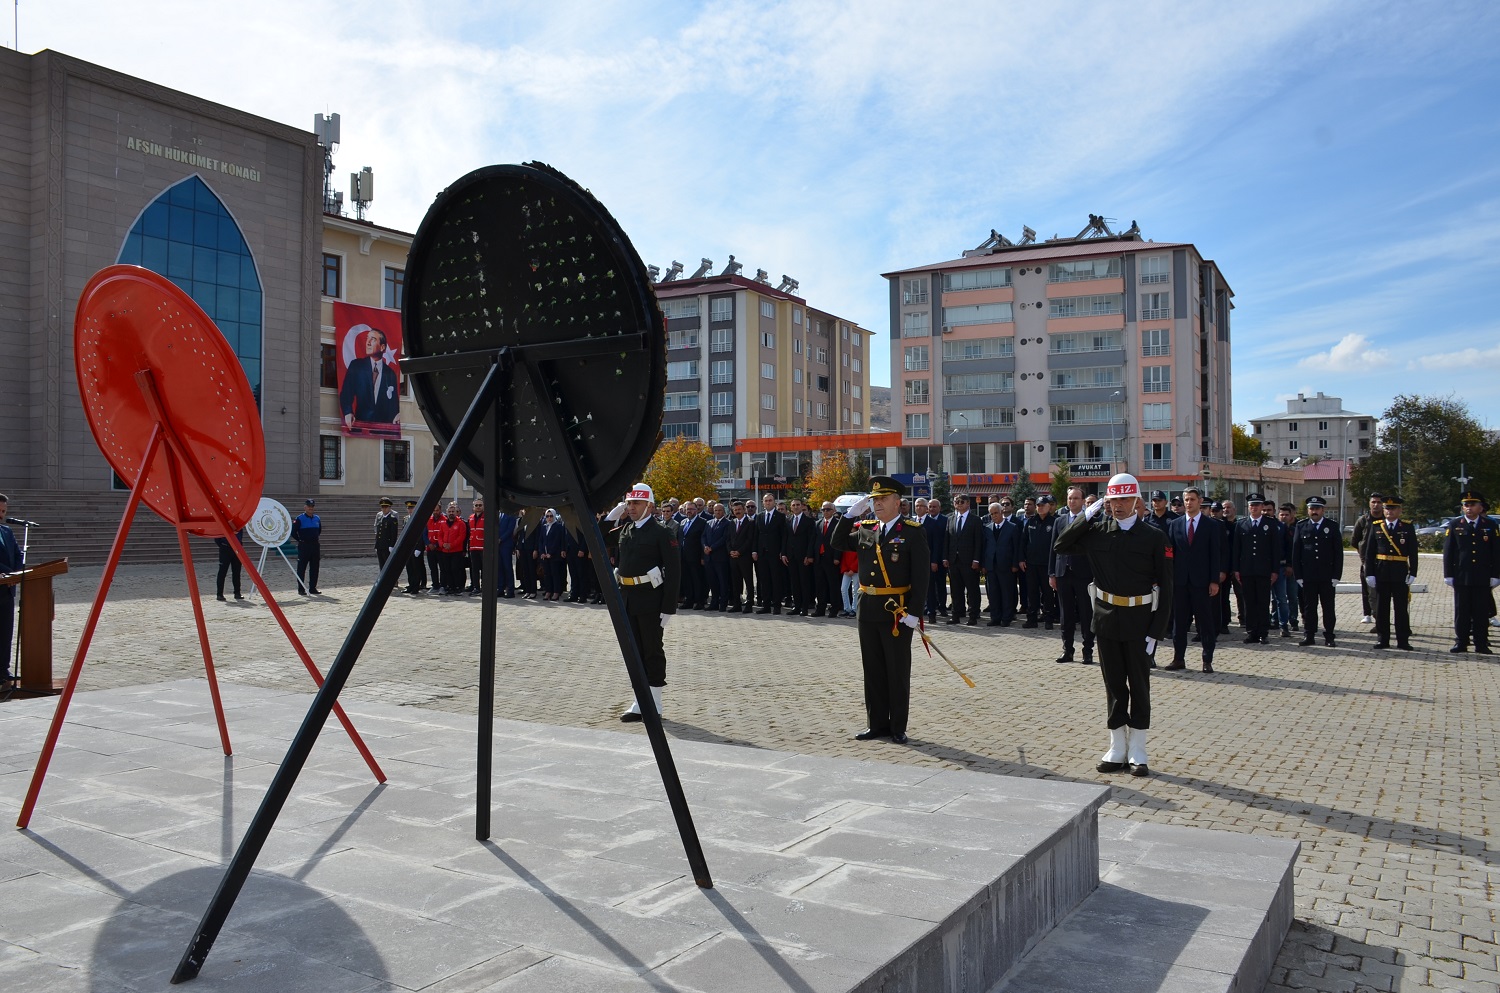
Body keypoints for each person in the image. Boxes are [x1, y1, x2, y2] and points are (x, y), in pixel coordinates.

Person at [1054, 473, 1172, 777]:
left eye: (1123, 499)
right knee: (1114, 685)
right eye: (1112, 499)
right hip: (1106, 619)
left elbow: (1168, 588)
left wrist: (1156, 633)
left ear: (1136, 501)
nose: (1117, 506)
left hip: (1140, 621)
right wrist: (1089, 513)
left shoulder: (1154, 537)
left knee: (1140, 685)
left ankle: (1138, 750)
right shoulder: (1099, 532)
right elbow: (1062, 544)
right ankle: (1117, 747)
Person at [830, 476, 930, 744]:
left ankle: (897, 726)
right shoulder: (867, 528)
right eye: (874, 500)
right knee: (872, 669)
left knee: (896, 670)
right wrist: (848, 514)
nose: (877, 504)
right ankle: (876, 724)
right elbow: (837, 542)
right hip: (868, 608)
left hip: (897, 611)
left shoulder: (912, 531)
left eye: (883, 499)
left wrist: (914, 613)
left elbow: (921, 577)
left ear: (898, 502)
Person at [605, 484, 680, 721]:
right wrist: (614, 514)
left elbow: (675, 570)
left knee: (651, 650)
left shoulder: (661, 532)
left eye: (636, 503)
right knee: (634, 651)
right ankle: (640, 701)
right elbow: (597, 535)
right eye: (629, 504)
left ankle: (655, 703)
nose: (631, 508)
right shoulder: (627, 529)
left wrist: (669, 607)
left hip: (650, 599)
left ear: (649, 505)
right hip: (627, 597)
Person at [1165, 486, 1225, 673]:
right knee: (1180, 622)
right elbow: (1169, 553)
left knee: (1205, 622)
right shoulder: (1175, 525)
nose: (1188, 503)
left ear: (1200, 501)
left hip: (1202, 582)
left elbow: (1216, 555)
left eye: (1192, 499)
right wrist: (1168, 577)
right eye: (1186, 499)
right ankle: (1178, 659)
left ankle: (1207, 660)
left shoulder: (1212, 525)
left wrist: (1214, 581)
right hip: (1180, 582)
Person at [1443, 490, 1499, 654]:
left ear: (1480, 507)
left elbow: (1496, 552)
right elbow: (1449, 552)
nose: (1469, 508)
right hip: (1462, 575)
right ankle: (1461, 641)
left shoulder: (1490, 525)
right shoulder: (1455, 525)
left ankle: (1481, 643)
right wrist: (1448, 574)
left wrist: (1496, 574)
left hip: (1482, 575)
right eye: (1466, 505)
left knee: (1481, 611)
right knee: (1462, 611)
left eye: (1472, 505)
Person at [1363, 494, 1417, 651]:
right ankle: (1383, 638)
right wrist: (1369, 573)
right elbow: (1369, 552)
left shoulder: (1407, 527)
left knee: (1401, 608)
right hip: (1381, 571)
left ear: (1400, 510)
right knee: (1381, 608)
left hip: (1400, 571)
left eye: (1393, 509)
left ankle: (1403, 640)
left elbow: (1413, 552)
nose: (1389, 512)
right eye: (1387, 508)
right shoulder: (1377, 526)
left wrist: (1413, 572)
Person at [1049, 486, 1095, 664]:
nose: (1072, 501)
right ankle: (1067, 650)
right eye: (1070, 498)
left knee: (1086, 614)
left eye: (1076, 498)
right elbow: (1053, 548)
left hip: (1083, 574)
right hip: (1063, 573)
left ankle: (1087, 650)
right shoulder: (1059, 521)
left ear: (1083, 501)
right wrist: (1052, 573)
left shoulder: (1089, 520)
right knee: (1065, 614)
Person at [1230, 494, 1282, 645]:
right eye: (1252, 505)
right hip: (1246, 570)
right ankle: (1251, 632)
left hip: (1264, 570)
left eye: (1257, 505)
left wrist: (1274, 570)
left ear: (1261, 507)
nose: (1254, 508)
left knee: (1263, 602)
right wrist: (1236, 569)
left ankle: (1263, 633)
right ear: (1248, 507)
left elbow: (1275, 549)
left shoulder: (1270, 524)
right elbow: (1236, 549)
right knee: (1249, 602)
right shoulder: (1241, 524)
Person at [1291, 496, 1342, 647]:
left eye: (1317, 509)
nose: (1314, 511)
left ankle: (1329, 636)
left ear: (1323, 510)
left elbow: (1338, 553)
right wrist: (1298, 575)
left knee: (1328, 607)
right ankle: (1309, 635)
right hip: (1308, 575)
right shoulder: (1301, 526)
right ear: (1308, 510)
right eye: (1311, 509)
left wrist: (1336, 575)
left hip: (1327, 576)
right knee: (1309, 607)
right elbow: (1296, 553)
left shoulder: (1332, 526)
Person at [338, 325, 400, 427]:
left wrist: (397, 414)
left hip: (383, 428)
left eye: (373, 339)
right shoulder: (357, 366)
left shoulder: (390, 374)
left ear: (382, 347)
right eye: (367, 338)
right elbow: (346, 394)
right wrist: (348, 412)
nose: (368, 342)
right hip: (360, 425)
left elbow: (393, 404)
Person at [980, 500, 1021, 626]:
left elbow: (1016, 547)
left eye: (996, 513)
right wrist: (984, 565)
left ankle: (1006, 618)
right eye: (991, 514)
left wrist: (1015, 564)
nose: (994, 516)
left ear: (1002, 512)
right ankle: (995, 617)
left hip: (1006, 566)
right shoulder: (987, 528)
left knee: (1007, 593)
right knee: (993, 593)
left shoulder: (1012, 527)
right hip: (991, 566)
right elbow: (984, 547)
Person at [946, 494, 984, 626]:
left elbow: (979, 542)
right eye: (956, 501)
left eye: (962, 501)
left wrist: (976, 560)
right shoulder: (950, 519)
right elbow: (947, 540)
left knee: (972, 590)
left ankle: (973, 615)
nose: (959, 504)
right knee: (956, 590)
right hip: (954, 561)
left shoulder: (975, 520)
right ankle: (956, 615)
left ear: (968, 504)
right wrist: (946, 557)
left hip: (969, 561)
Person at [1020, 494, 1056, 628]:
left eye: (1043, 505)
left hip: (1047, 564)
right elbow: (1023, 542)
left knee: (1047, 593)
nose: (1040, 508)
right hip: (1031, 564)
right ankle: (1032, 619)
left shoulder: (1054, 522)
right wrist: (1021, 559)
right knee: (1032, 592)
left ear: (1049, 507)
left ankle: (1048, 620)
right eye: (1039, 506)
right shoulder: (1031, 522)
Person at [1350, 493, 1385, 625]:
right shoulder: (1363, 521)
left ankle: (1381, 615)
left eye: (1379, 502)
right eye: (1373, 502)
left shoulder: (1385, 519)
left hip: (1383, 560)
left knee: (1380, 590)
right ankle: (1367, 613)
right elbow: (1355, 540)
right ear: (1369, 504)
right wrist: (1363, 554)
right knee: (1366, 589)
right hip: (1366, 561)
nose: (1376, 505)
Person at [753, 492, 789, 614]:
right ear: (763, 503)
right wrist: (754, 551)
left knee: (776, 580)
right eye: (766, 500)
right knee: (764, 580)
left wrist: (782, 551)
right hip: (762, 553)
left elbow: (784, 536)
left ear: (774, 502)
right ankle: (766, 605)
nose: (768, 502)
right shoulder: (759, 516)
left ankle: (777, 606)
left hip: (775, 553)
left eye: (770, 500)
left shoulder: (780, 516)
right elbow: (756, 535)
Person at [1270, 503, 1300, 637]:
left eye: (1268, 510)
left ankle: (1286, 623)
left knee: (1285, 597)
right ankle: (1269, 622)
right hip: (1263, 568)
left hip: (1281, 568)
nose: (1265, 512)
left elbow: (1290, 549)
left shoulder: (1283, 528)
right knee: (1270, 599)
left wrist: (1289, 565)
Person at [784, 499, 816, 616]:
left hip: (803, 557)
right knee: (794, 583)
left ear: (802, 506)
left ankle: (805, 607)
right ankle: (796, 606)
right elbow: (785, 538)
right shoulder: (788, 520)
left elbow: (811, 540)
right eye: (793, 505)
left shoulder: (809, 521)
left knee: (804, 582)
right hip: (791, 556)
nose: (796, 507)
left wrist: (809, 555)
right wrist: (783, 553)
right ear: (791, 507)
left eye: (798, 505)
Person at [0, 494, 19, 688]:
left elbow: (17, 554)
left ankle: (3, 670)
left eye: (4, 511)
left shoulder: (6, 531)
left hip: (7, 591)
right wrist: (6, 572)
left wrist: (17, 572)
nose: (2, 515)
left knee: (5, 633)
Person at [812, 501, 842, 617]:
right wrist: (811, 556)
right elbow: (814, 541)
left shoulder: (837, 523)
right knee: (820, 585)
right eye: (823, 510)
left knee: (833, 585)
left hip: (831, 559)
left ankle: (834, 609)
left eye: (828, 509)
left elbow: (839, 542)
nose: (825, 512)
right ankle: (820, 609)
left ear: (833, 510)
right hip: (819, 559)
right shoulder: (818, 523)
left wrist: (837, 557)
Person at [922, 497, 949, 622]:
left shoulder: (945, 520)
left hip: (941, 558)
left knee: (941, 584)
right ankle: (929, 607)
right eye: (930, 507)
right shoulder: (924, 521)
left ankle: (942, 607)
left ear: (939, 508)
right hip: (928, 559)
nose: (932, 509)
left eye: (934, 507)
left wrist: (942, 558)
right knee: (929, 587)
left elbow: (944, 541)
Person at [728, 500, 757, 612]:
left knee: (748, 581)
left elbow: (750, 540)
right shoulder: (732, 522)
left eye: (739, 509)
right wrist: (731, 551)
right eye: (735, 510)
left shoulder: (750, 522)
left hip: (744, 557)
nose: (737, 512)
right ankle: (737, 604)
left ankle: (749, 604)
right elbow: (728, 539)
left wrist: (739, 551)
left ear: (744, 510)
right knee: (735, 582)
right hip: (733, 557)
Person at [703, 502, 731, 611]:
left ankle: (723, 604)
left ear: (723, 511)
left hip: (720, 558)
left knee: (723, 582)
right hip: (709, 558)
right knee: (712, 582)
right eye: (716, 510)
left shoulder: (727, 523)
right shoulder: (709, 523)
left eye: (720, 510)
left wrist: (712, 548)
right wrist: (705, 546)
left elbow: (724, 538)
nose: (718, 512)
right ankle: (714, 603)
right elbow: (703, 536)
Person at [292, 499, 322, 596]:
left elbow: (319, 531)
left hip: (315, 545)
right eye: (309, 506)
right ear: (305, 507)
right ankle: (301, 589)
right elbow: (293, 532)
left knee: (314, 567)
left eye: (312, 506)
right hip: (304, 546)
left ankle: (313, 588)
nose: (311, 508)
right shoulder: (299, 519)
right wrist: (300, 540)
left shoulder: (317, 518)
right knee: (301, 568)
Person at [536, 508, 566, 600]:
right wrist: (542, 552)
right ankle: (548, 591)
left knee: (555, 574)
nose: (549, 518)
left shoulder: (558, 526)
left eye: (551, 516)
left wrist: (550, 553)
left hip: (554, 555)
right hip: (545, 556)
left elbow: (557, 541)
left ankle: (556, 592)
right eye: (547, 516)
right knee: (547, 574)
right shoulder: (544, 527)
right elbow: (541, 540)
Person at [401, 500, 427, 595]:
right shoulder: (405, 519)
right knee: (409, 567)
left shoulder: (420, 519)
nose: (410, 510)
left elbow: (421, 535)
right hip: (408, 548)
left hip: (416, 547)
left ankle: (416, 586)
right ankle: (411, 585)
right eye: (408, 508)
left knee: (416, 568)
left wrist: (420, 548)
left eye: (412, 508)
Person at [214, 528, 246, 601]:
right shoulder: (222, 524)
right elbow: (217, 538)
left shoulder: (238, 525)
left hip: (237, 548)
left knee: (237, 572)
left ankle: (237, 593)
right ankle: (219, 594)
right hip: (225, 548)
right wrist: (223, 545)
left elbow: (240, 535)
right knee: (222, 572)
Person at [494, 504, 518, 598]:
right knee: (499, 567)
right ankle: (500, 589)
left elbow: (510, 529)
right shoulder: (497, 515)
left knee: (507, 567)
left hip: (506, 545)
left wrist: (501, 539)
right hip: (498, 545)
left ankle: (510, 590)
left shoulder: (511, 515)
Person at [466, 499, 487, 595]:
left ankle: (484, 587)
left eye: (480, 505)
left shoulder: (487, 517)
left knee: (484, 569)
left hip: (483, 548)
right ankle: (476, 587)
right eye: (476, 505)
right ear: (473, 507)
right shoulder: (470, 518)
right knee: (474, 569)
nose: (478, 507)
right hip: (473, 547)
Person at [426, 505, 448, 593]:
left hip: (440, 549)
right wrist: (428, 543)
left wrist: (437, 544)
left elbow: (445, 534)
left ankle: (443, 585)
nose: (435, 512)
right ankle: (435, 585)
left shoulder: (445, 520)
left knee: (442, 568)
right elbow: (424, 533)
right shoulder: (428, 519)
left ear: (440, 510)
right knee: (433, 568)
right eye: (434, 510)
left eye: (437, 510)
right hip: (430, 548)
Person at [374, 497, 399, 571]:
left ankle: (392, 581)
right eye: (382, 507)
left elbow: (394, 533)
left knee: (388, 566)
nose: (384, 509)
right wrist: (377, 544)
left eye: (386, 507)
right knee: (381, 565)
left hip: (387, 545)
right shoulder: (380, 517)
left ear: (389, 507)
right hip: (380, 545)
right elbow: (378, 531)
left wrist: (392, 545)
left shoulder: (392, 518)